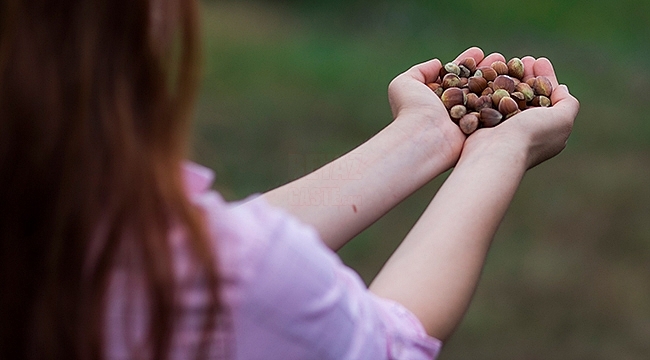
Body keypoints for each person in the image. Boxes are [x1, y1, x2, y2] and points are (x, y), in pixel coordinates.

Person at [0, 0, 580, 359]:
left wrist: (421, 139)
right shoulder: (222, 283)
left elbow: (207, 249)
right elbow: (388, 345)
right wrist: (496, 154)